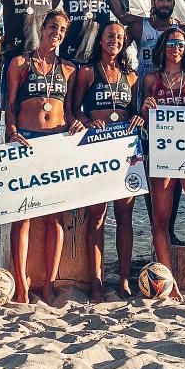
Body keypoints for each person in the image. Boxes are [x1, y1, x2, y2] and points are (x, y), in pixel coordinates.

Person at [4, 10, 79, 304]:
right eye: (52, 27)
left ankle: (48, 284)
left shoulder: (69, 70)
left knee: (55, 218)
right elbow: (10, 105)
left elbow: (70, 110)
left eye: (61, 29)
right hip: (26, 140)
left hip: (56, 143)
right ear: (42, 28)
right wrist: (11, 130)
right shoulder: (20, 64)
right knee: (22, 216)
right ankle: (21, 283)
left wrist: (76, 122)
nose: (56, 33)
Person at [70, 21, 143, 301]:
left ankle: (124, 279)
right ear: (100, 40)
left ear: (125, 42)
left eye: (119, 36)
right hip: (96, 149)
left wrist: (138, 116)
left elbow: (135, 111)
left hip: (125, 150)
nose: (114, 39)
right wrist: (87, 121)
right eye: (110, 35)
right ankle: (97, 281)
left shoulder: (132, 77)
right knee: (96, 217)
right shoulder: (87, 73)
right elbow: (74, 109)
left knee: (125, 217)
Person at [107, 0, 184, 246]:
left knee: (173, 170)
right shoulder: (141, 27)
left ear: (173, 2)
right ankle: (156, 228)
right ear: (153, 1)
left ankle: (168, 229)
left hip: (173, 106)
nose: (164, 3)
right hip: (145, 101)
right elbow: (117, 37)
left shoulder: (180, 31)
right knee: (151, 169)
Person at [140, 25, 185, 300]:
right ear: (162, 48)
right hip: (163, 156)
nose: (176, 48)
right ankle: (169, 283)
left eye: (181, 44)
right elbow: (143, 121)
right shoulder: (151, 80)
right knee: (160, 221)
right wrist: (146, 109)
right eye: (171, 43)